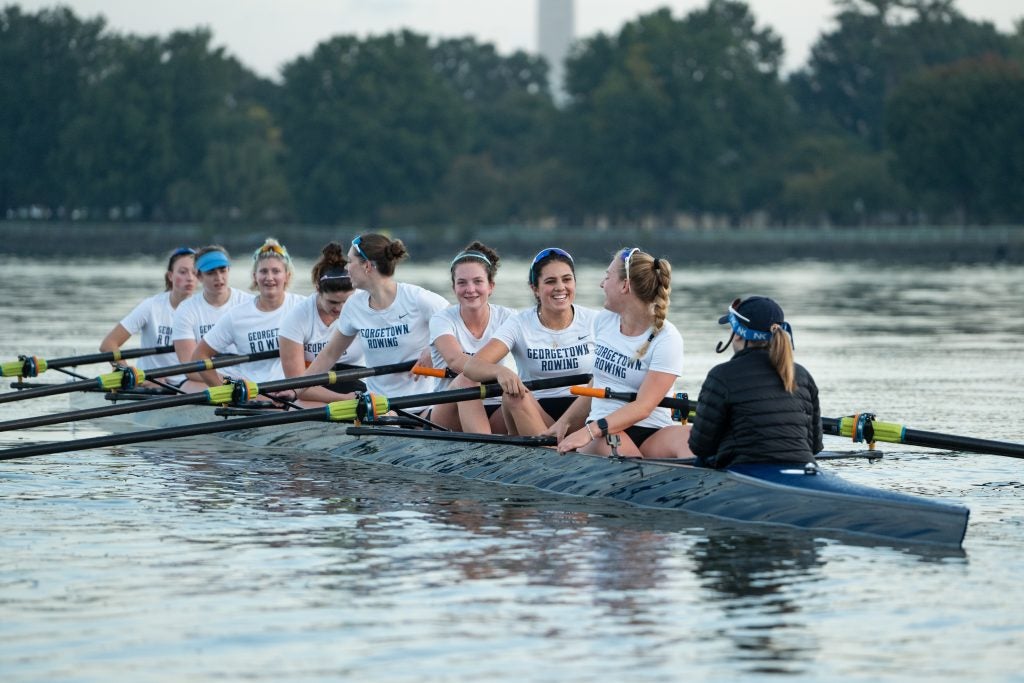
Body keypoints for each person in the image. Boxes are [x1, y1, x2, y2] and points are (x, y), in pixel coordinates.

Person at [554, 248, 690, 457]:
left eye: (607, 277)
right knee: (616, 445)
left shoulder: (667, 338)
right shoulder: (603, 321)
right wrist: (565, 423)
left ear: (624, 286)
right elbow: (597, 383)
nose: (602, 284)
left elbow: (644, 407)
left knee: (691, 438)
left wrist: (589, 431)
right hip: (603, 433)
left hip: (652, 432)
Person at [298, 233, 449, 404]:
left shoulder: (418, 299)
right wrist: (295, 390)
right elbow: (329, 355)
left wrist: (433, 347)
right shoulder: (354, 305)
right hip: (379, 407)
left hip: (423, 404)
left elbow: (457, 321)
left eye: (350, 262)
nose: (347, 268)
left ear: (367, 266)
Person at [463, 247, 598, 436]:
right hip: (537, 411)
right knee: (512, 396)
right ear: (535, 288)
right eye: (550, 282)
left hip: (583, 413)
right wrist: (500, 371)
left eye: (567, 279)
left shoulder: (596, 320)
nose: (560, 287)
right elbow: (472, 367)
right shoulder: (519, 323)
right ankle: (548, 454)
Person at [687, 295, 823, 468]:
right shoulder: (802, 375)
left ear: (737, 334)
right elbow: (814, 446)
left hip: (746, 473)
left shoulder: (721, 376)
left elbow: (700, 446)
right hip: (803, 469)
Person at [429, 241, 516, 432]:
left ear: (491, 286)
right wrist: (499, 372)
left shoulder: (510, 318)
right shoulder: (441, 319)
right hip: (449, 409)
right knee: (466, 379)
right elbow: (456, 360)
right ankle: (485, 454)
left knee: (518, 393)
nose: (470, 289)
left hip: (496, 406)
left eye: (478, 281)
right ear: (454, 288)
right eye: (462, 283)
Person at [191, 238, 303, 386]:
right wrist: (224, 391)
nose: (269, 278)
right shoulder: (237, 315)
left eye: (276, 271)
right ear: (254, 276)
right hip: (253, 396)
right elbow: (199, 355)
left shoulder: (302, 306)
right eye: (263, 271)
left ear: (287, 276)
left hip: (293, 390)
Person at [277, 241, 367, 406]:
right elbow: (298, 386)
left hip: (358, 385)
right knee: (300, 406)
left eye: (346, 302)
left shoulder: (365, 302)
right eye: (333, 302)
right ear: (318, 288)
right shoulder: (296, 319)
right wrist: (345, 400)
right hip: (313, 390)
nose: (340, 309)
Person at [99, 246, 197, 388]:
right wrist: (130, 375)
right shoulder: (151, 306)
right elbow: (108, 345)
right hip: (153, 382)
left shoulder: (202, 309)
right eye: (183, 272)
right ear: (170, 276)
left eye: (194, 273)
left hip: (189, 382)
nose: (190, 278)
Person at [171, 245, 252, 392]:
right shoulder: (186, 310)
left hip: (249, 377)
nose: (219, 278)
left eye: (223, 270)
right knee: (188, 388)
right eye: (211, 273)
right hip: (208, 378)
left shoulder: (248, 303)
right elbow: (191, 369)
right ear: (199, 276)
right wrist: (230, 384)